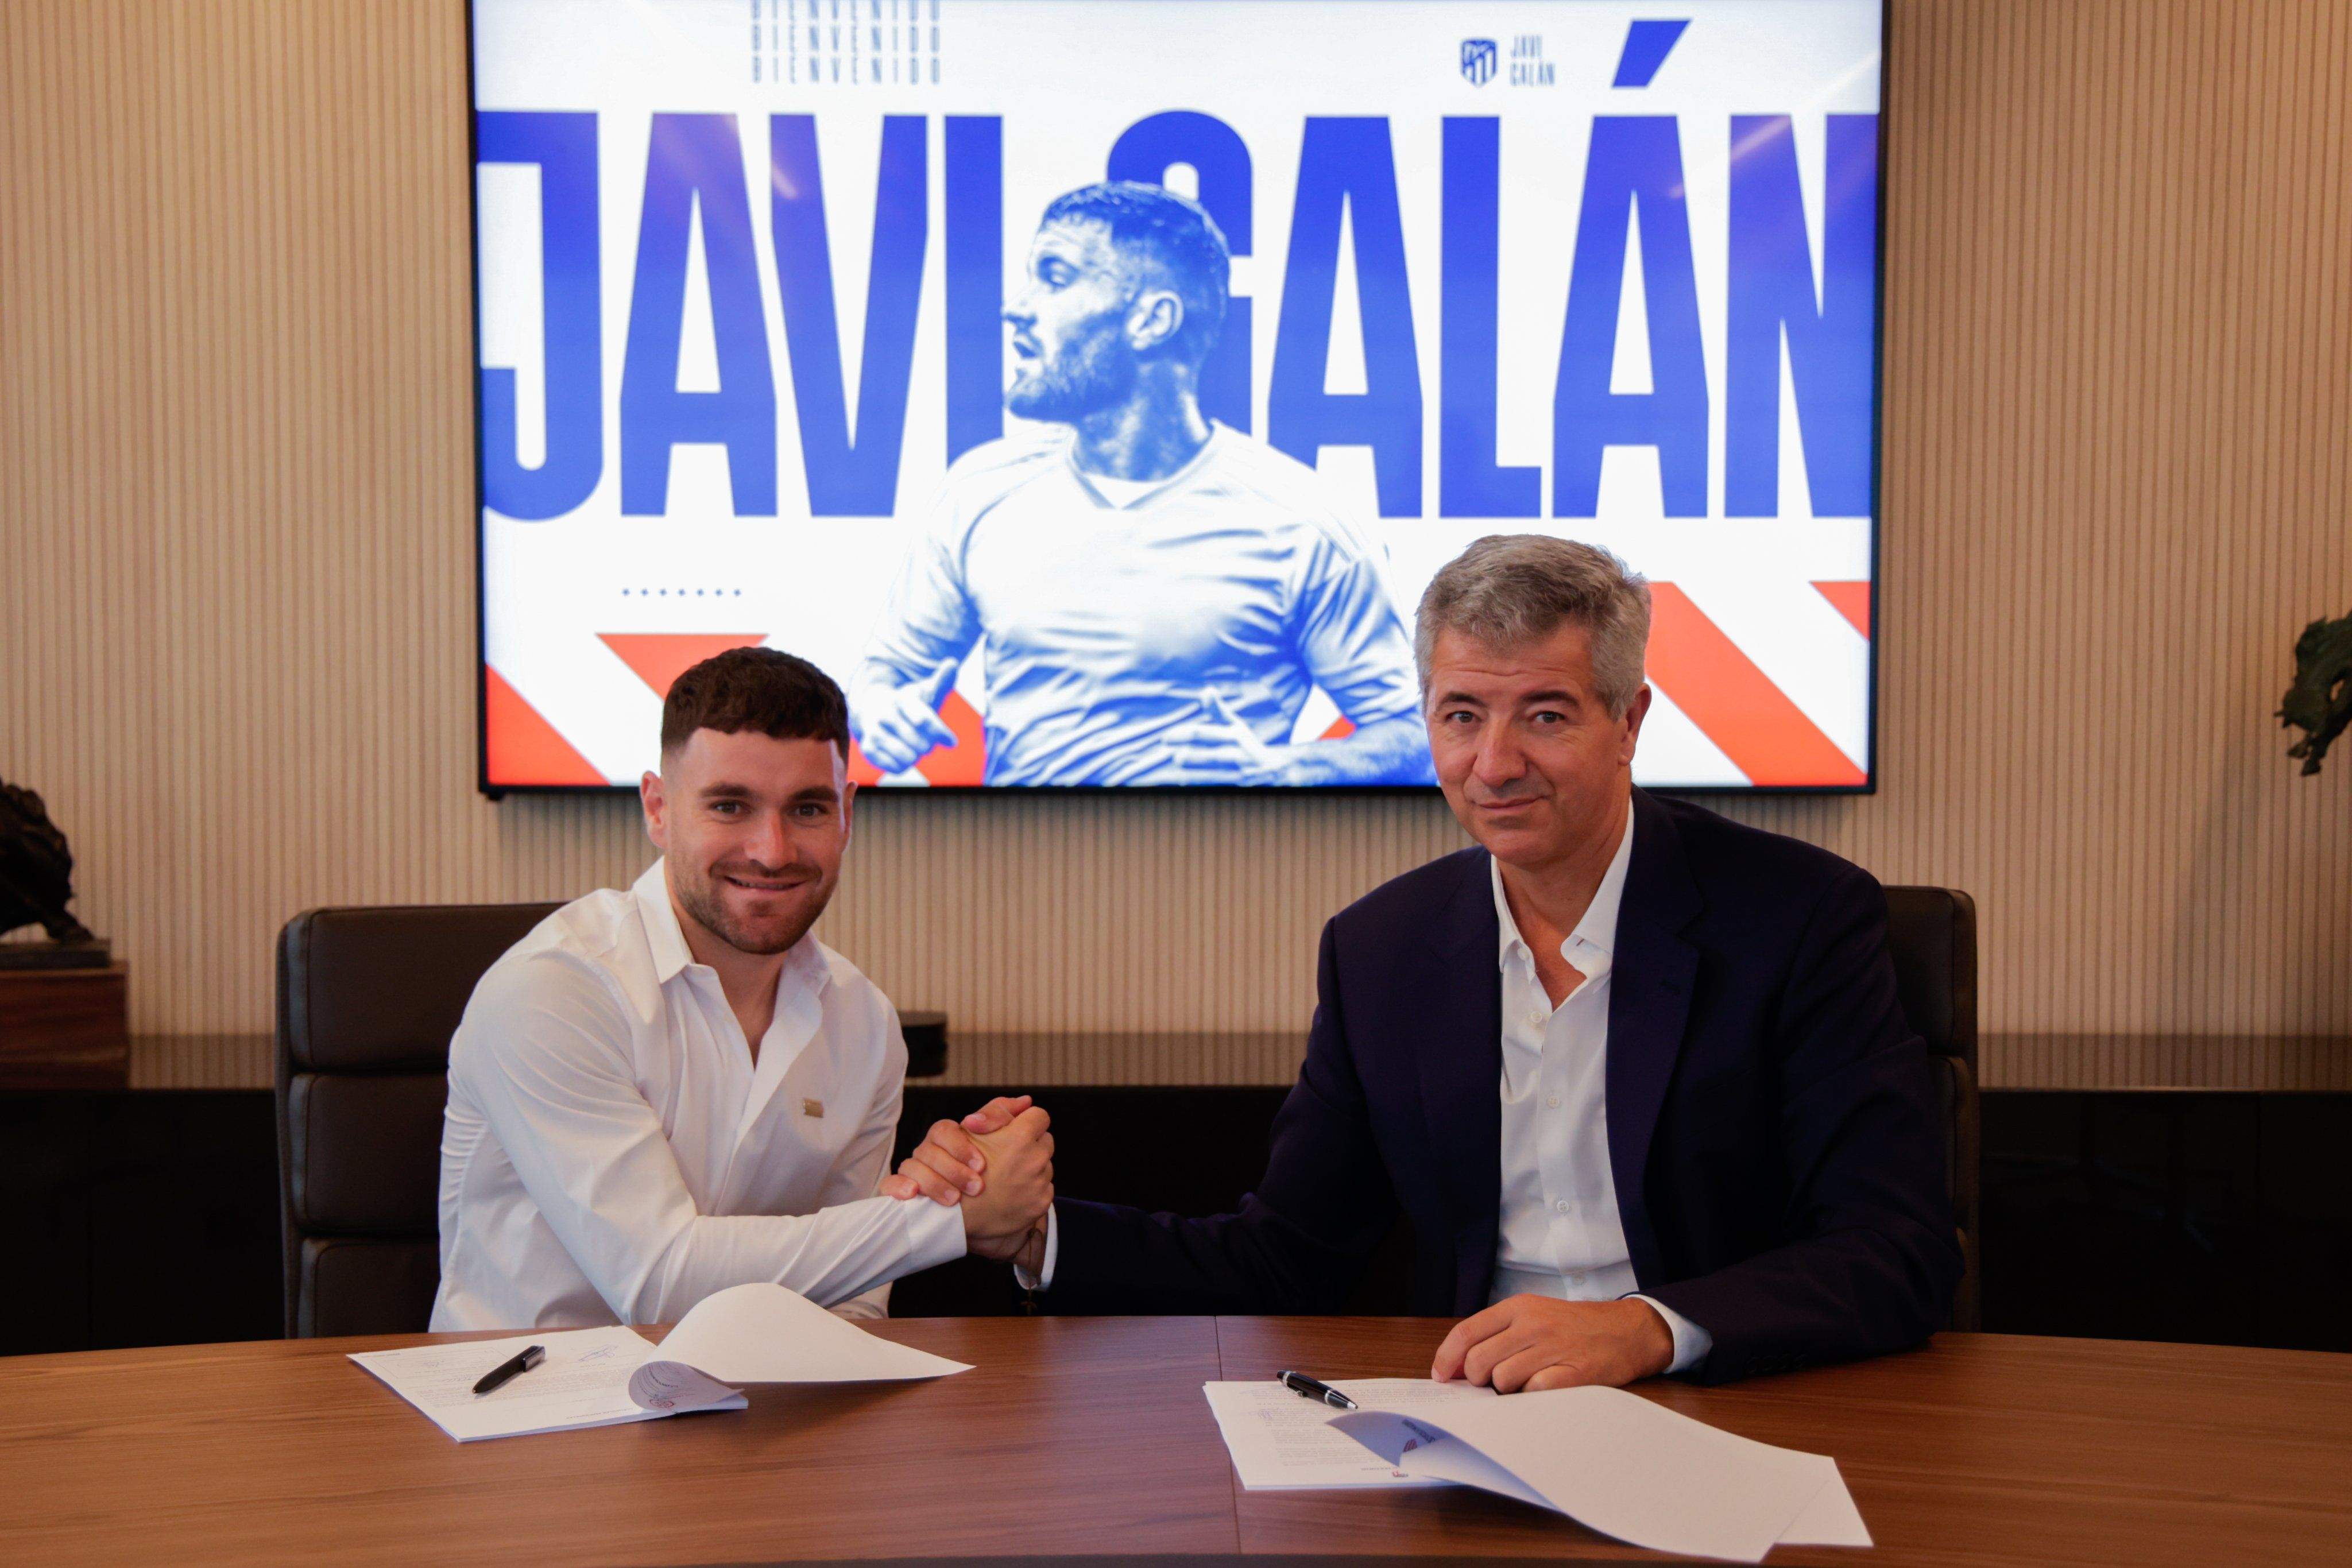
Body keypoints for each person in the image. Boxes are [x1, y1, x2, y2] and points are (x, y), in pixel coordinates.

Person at [889, 536, 1960, 1387]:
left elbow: (1892, 1251)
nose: (1494, 765)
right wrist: (1037, 1233)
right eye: (1461, 716)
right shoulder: (1382, 949)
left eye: (1545, 715)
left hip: (1729, 1396)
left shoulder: (1801, 918)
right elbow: (1287, 1257)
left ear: (1628, 722)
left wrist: (1643, 1332)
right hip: (1472, 1407)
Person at [431, 648, 1053, 1331]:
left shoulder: (862, 1021)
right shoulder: (555, 989)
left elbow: (852, 1301)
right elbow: (659, 1280)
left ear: (847, 814)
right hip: (529, 1415)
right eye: (731, 806)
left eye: (808, 809)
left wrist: (954, 1181)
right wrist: (949, 1219)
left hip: (758, 1414)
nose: (772, 849)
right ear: (659, 809)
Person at [850, 181, 1430, 788]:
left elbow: (1414, 734)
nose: (1016, 307)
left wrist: (1282, 771)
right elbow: (884, 675)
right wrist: (884, 711)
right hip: (1014, 874)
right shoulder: (978, 493)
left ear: (1152, 319)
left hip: (1221, 874)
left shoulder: (1302, 521)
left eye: (1054, 277)